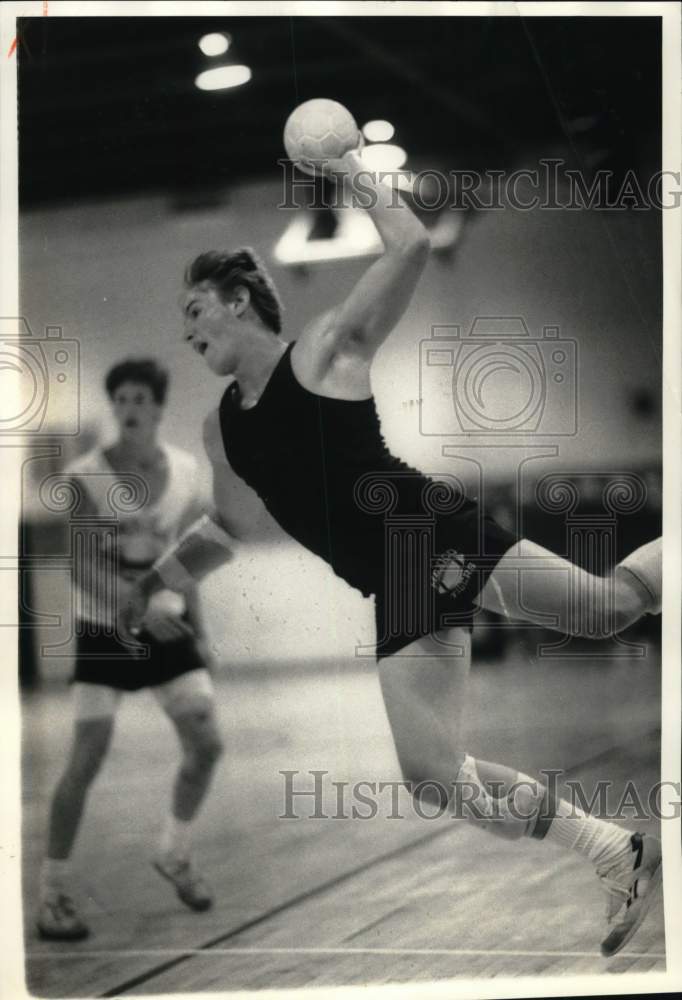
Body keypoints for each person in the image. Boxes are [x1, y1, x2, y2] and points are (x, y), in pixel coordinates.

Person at [123, 149, 662, 959]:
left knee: (608, 609)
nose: (187, 328)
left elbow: (407, 243)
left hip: (431, 532)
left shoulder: (327, 349)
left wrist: (346, 166)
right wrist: (155, 583)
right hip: (393, 583)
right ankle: (613, 851)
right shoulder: (220, 429)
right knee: (433, 774)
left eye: (196, 308)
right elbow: (228, 531)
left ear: (239, 301)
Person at [37, 358, 224, 941]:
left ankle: (173, 850)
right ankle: (53, 893)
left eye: (141, 397)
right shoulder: (86, 477)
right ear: (113, 406)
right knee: (86, 757)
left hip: (168, 628)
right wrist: (136, 610)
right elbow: (83, 567)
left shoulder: (188, 472)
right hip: (106, 631)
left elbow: (187, 560)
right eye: (120, 398)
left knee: (207, 743)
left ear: (159, 406)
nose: (130, 407)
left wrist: (200, 627)